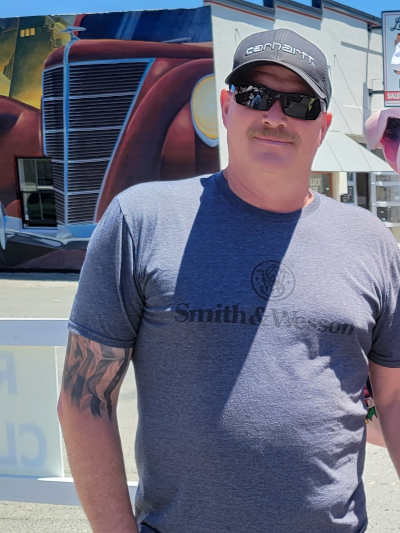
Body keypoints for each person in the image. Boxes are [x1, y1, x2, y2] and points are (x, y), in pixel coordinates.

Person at [58, 28, 400, 533]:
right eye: (255, 95)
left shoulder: (370, 241)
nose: (275, 116)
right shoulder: (141, 221)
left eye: (299, 103)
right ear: (225, 106)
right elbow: (84, 400)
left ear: (323, 126)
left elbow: (392, 399)